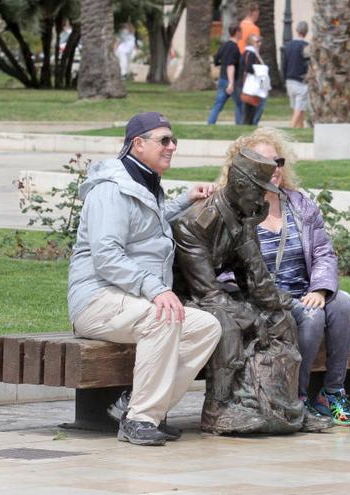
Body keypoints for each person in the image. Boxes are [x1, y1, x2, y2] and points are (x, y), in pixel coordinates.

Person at [68, 112, 222, 446]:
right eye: (163, 140)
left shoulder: (142, 182)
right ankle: (140, 419)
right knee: (164, 316)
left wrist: (185, 200)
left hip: (128, 300)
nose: (171, 146)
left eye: (174, 140)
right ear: (138, 144)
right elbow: (107, 255)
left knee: (206, 327)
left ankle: (135, 406)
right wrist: (156, 290)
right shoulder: (111, 189)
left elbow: (144, 227)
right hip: (97, 299)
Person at [172, 146, 333, 435]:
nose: (263, 198)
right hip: (183, 297)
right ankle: (216, 410)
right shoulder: (195, 224)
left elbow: (255, 280)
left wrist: (279, 305)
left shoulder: (241, 214)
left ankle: (287, 408)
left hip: (215, 293)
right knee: (228, 324)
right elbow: (207, 292)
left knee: (282, 318)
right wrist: (250, 317)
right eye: (259, 191)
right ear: (241, 185)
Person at [236, 128, 350, 426]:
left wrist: (320, 289)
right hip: (264, 299)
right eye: (266, 163)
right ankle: (296, 398)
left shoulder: (299, 204)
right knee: (312, 316)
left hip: (303, 292)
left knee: (342, 302)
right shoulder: (238, 210)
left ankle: (332, 392)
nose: (275, 169)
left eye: (278, 161)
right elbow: (229, 268)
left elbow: (324, 253)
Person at [207, 26, 243, 125]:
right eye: (241, 31)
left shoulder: (224, 46)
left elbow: (216, 60)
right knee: (240, 104)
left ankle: (210, 123)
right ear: (237, 32)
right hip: (231, 81)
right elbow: (231, 65)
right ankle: (240, 124)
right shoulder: (234, 47)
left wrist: (223, 65)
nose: (242, 34)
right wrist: (231, 83)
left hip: (222, 79)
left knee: (218, 104)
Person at [282, 21, 311, 129]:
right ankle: (291, 128)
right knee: (298, 108)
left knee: (298, 107)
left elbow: (284, 64)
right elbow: (308, 65)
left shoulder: (288, 46)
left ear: (297, 30)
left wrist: (284, 78)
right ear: (306, 32)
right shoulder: (306, 47)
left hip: (289, 80)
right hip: (301, 81)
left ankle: (301, 128)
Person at [239, 34, 268, 126]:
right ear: (251, 43)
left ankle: (248, 123)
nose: (259, 44)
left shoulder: (246, 52)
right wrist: (260, 70)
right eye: (257, 42)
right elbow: (249, 68)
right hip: (252, 84)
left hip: (247, 84)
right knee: (258, 105)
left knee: (248, 107)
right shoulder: (251, 53)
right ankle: (253, 123)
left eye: (260, 41)